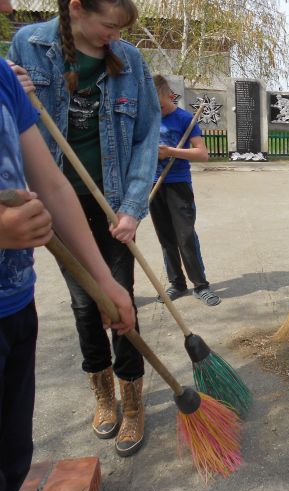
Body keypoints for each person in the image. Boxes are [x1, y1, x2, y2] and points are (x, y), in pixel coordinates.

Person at [9, 0, 160, 458]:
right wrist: (11, 92)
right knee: (84, 304)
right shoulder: (29, 45)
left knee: (121, 301)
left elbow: (147, 132)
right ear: (76, 8)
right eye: (107, 25)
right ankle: (102, 392)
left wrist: (133, 206)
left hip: (112, 206)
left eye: (119, 28)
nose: (113, 35)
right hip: (59, 204)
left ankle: (132, 398)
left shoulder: (130, 60)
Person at [0, 52, 135, 491]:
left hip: (17, 301)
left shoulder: (4, 76)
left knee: (13, 456)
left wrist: (106, 280)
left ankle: (129, 400)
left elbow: (53, 184)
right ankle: (104, 396)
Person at [150, 75, 220, 307]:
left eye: (159, 105)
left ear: (169, 96)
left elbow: (202, 154)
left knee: (186, 236)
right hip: (152, 183)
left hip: (178, 184)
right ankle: (177, 284)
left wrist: (171, 152)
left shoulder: (185, 119)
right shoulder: (147, 117)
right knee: (165, 237)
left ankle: (201, 285)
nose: (157, 110)